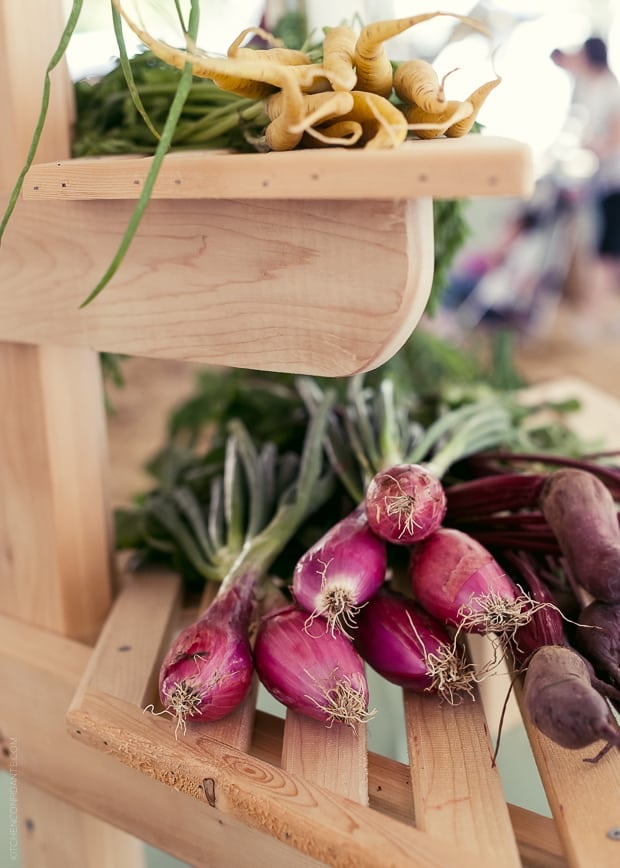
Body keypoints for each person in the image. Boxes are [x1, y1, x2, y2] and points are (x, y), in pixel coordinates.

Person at [551, 37, 620, 338]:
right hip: (607, 184)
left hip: (615, 184)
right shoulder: (594, 87)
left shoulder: (610, 90)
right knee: (608, 252)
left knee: (606, 253)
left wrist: (592, 147)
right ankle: (598, 317)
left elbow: (613, 139)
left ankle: (594, 319)